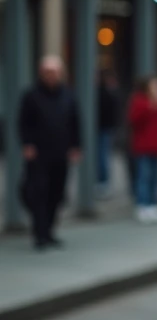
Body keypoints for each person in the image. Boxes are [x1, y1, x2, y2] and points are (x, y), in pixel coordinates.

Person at [18, 56, 81, 250]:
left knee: (57, 193)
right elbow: (23, 122)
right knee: (37, 192)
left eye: (54, 72)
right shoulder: (31, 96)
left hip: (61, 152)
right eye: (47, 72)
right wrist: (27, 144)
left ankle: (49, 230)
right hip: (39, 153)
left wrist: (76, 146)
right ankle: (40, 232)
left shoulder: (68, 95)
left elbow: (75, 122)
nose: (51, 76)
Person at [128, 76, 157, 224]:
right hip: (143, 146)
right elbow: (134, 120)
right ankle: (142, 205)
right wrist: (149, 107)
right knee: (144, 177)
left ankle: (153, 204)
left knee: (156, 177)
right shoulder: (140, 101)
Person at [96, 69, 121, 197]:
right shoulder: (101, 93)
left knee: (103, 155)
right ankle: (101, 181)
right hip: (101, 127)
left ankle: (103, 182)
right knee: (102, 155)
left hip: (105, 127)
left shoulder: (109, 93)